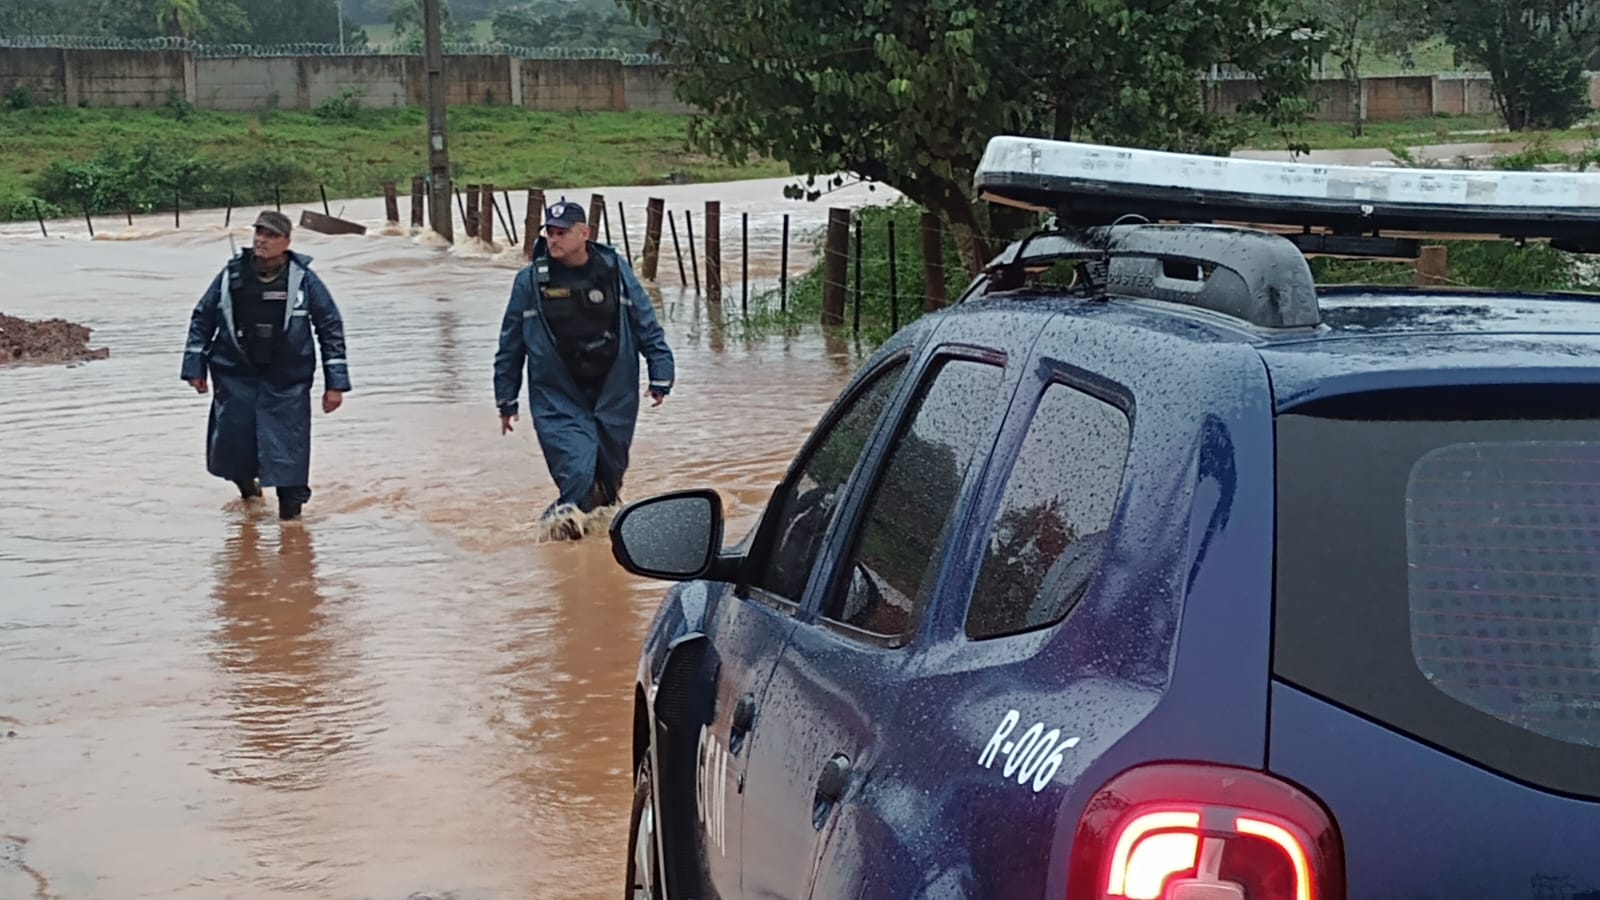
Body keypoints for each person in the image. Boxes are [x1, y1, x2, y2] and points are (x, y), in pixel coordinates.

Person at [494, 199, 675, 540]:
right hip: (558, 395)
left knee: (608, 480)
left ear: (584, 234)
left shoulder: (613, 269)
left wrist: (661, 372)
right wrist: (507, 400)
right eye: (550, 232)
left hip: (613, 389)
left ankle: (595, 553)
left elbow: (645, 321)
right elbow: (510, 345)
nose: (554, 239)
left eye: (562, 232)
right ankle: (554, 537)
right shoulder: (529, 282)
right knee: (577, 470)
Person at [181, 210, 351, 521]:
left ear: (287, 242)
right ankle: (250, 494)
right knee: (234, 449)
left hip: (287, 382)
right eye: (259, 232)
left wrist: (335, 383)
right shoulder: (230, 276)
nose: (262, 239)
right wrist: (195, 367)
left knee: (290, 456)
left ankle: (292, 526)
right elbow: (202, 318)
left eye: (271, 235)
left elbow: (330, 327)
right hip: (236, 378)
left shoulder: (304, 280)